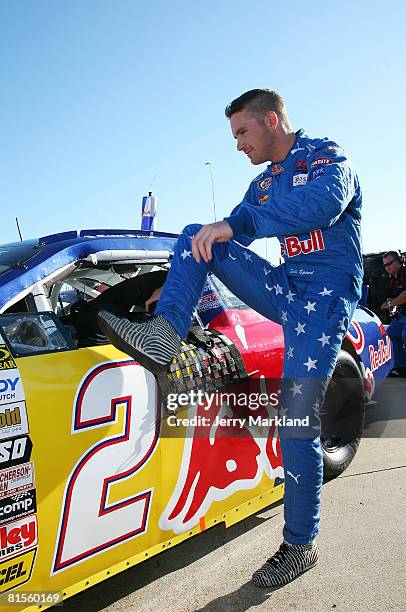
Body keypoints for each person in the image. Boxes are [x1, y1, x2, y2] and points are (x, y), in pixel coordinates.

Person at [98, 89, 363, 587]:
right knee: (197, 234)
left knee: (296, 421)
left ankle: (299, 546)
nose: (237, 144)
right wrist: (175, 282)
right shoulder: (262, 184)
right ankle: (165, 336)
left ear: (271, 119)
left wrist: (241, 224)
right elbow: (225, 235)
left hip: (324, 303)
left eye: (242, 132)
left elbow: (323, 205)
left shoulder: (326, 155)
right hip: (285, 288)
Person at [381, 251, 406, 369]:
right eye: (385, 265)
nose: (387, 267)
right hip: (403, 315)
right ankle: (400, 367)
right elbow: (390, 297)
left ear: (398, 261)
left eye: (389, 263)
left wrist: (390, 303)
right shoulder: (390, 279)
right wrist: (390, 308)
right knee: (391, 333)